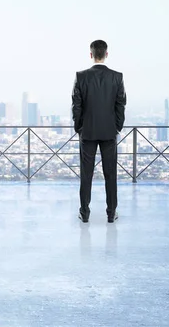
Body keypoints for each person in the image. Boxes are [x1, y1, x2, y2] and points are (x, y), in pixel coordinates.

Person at [71, 40, 127, 223]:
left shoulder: (81, 77)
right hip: (109, 132)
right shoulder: (117, 77)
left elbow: (76, 107)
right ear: (106, 54)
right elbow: (121, 105)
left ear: (91, 54)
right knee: (110, 174)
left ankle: (85, 213)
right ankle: (111, 213)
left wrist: (79, 127)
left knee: (86, 174)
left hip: (87, 132)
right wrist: (117, 126)